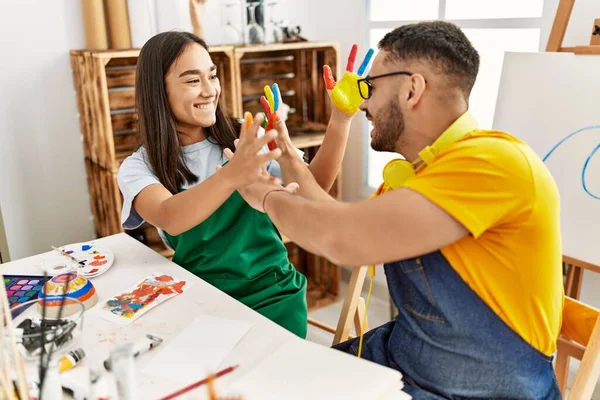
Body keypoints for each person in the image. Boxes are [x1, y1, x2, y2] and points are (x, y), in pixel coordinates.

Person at [233, 21, 564, 399]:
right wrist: (289, 153)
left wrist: (263, 195)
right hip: (406, 359)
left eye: (369, 88)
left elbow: (344, 239)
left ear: (412, 89)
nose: (363, 104)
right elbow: (332, 216)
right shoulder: (418, 174)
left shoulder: (495, 161)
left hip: (485, 391)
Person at [117, 31, 355, 339]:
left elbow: (316, 187)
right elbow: (170, 216)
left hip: (273, 296)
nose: (209, 90)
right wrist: (233, 174)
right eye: (192, 81)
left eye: (212, 76)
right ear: (157, 92)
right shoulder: (140, 166)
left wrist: (341, 120)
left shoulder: (243, 135)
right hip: (201, 301)